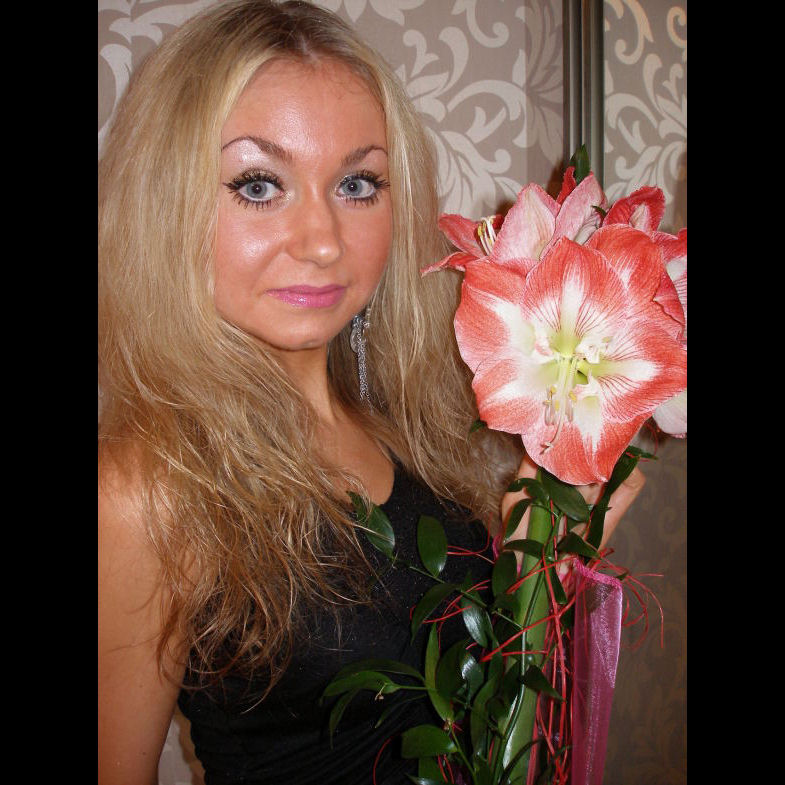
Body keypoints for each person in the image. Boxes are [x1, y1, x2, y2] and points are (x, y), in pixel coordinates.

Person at [97, 2, 645, 783]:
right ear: (169, 203)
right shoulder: (144, 490)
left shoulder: (407, 429)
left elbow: (468, 724)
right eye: (258, 184)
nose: (323, 241)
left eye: (356, 183)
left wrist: (539, 577)